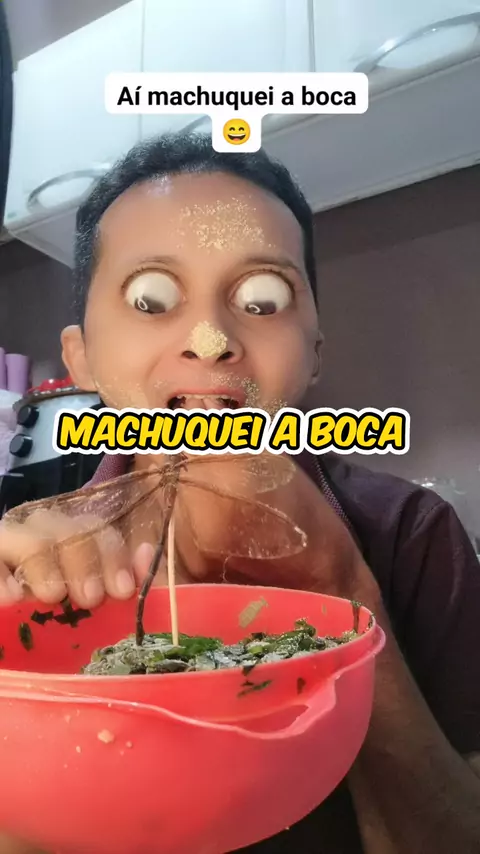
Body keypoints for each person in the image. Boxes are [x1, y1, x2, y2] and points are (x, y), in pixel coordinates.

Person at [0, 133, 479, 854]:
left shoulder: (412, 534)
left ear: (314, 352)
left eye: (262, 299)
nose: (210, 339)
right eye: (152, 299)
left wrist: (342, 588)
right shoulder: (36, 566)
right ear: (83, 358)